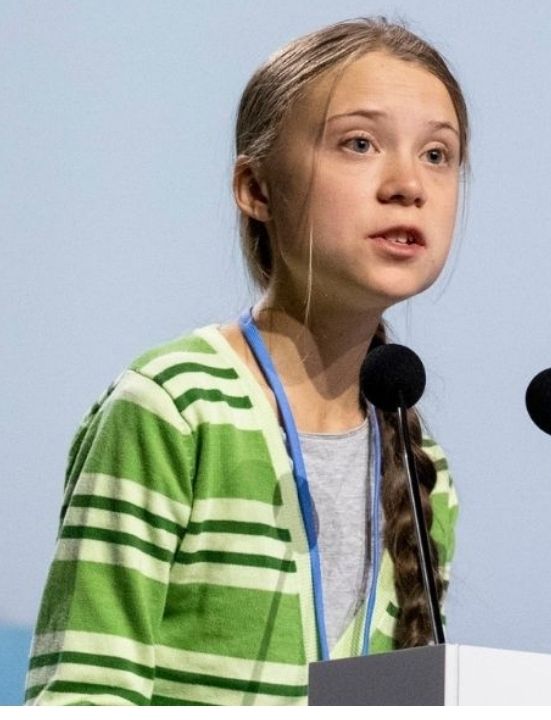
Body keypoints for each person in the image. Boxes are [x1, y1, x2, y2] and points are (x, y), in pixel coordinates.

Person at [24, 18, 464, 705]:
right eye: (359, 143)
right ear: (257, 189)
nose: (409, 183)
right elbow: (84, 695)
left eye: (438, 154)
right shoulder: (174, 405)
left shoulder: (419, 463)